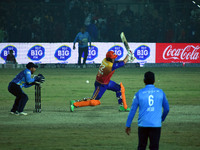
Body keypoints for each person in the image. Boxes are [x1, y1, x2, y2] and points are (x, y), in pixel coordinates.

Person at [125, 71, 170, 150]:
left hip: (143, 125)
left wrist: (128, 125)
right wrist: (161, 119)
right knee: (154, 147)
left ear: (144, 81)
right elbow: (167, 109)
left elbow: (132, 111)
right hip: (156, 125)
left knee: (141, 147)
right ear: (154, 81)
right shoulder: (160, 92)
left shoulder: (139, 93)